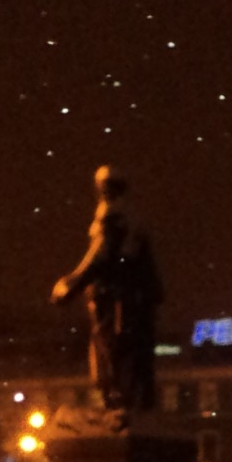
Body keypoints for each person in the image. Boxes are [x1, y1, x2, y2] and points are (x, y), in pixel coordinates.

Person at [51, 165, 162, 415]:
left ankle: (119, 404)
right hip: (133, 300)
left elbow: (101, 255)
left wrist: (72, 283)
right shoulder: (133, 220)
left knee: (112, 351)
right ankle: (136, 403)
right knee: (133, 353)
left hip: (115, 300)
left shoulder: (113, 216)